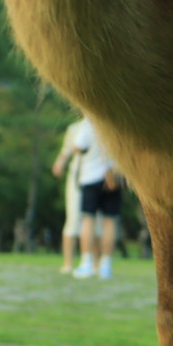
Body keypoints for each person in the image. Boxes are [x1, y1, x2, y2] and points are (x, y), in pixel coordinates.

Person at [51, 117, 123, 279]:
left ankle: (86, 263)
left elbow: (78, 146)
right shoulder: (117, 123)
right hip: (113, 179)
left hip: (91, 178)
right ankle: (105, 266)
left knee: (88, 220)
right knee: (109, 222)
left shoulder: (88, 124)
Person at [51, 119, 86, 274]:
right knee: (73, 218)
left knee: (95, 222)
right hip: (77, 177)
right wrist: (59, 164)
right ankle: (68, 263)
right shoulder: (75, 128)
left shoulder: (104, 126)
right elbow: (66, 151)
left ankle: (93, 263)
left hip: (97, 179)